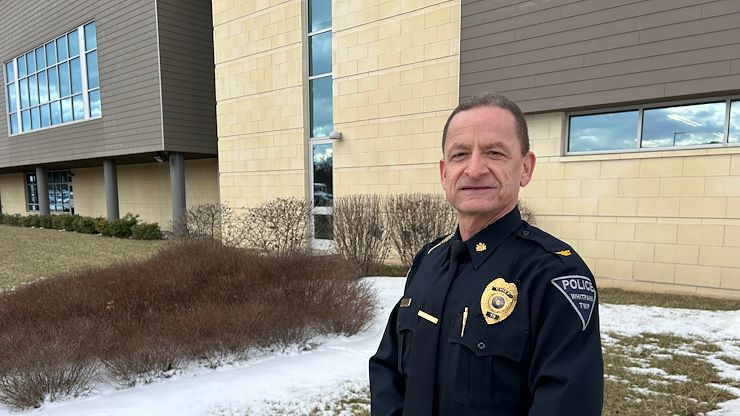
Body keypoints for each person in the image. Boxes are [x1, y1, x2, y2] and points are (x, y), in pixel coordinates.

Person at [369, 92, 603, 415]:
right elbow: (387, 369)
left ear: (525, 168)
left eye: (494, 152)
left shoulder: (554, 277)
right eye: (460, 154)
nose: (474, 169)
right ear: (444, 173)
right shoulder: (429, 260)